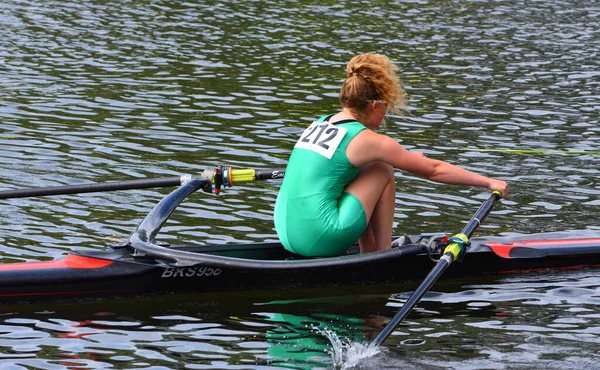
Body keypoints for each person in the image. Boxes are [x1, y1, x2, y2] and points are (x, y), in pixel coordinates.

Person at [274, 53, 509, 257]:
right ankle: (381, 254)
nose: (387, 113)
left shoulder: (321, 123)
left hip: (287, 234)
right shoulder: (366, 140)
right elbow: (433, 170)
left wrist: (406, 156)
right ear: (375, 105)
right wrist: (489, 182)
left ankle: (369, 250)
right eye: (386, 106)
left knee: (364, 168)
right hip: (320, 236)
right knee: (382, 167)